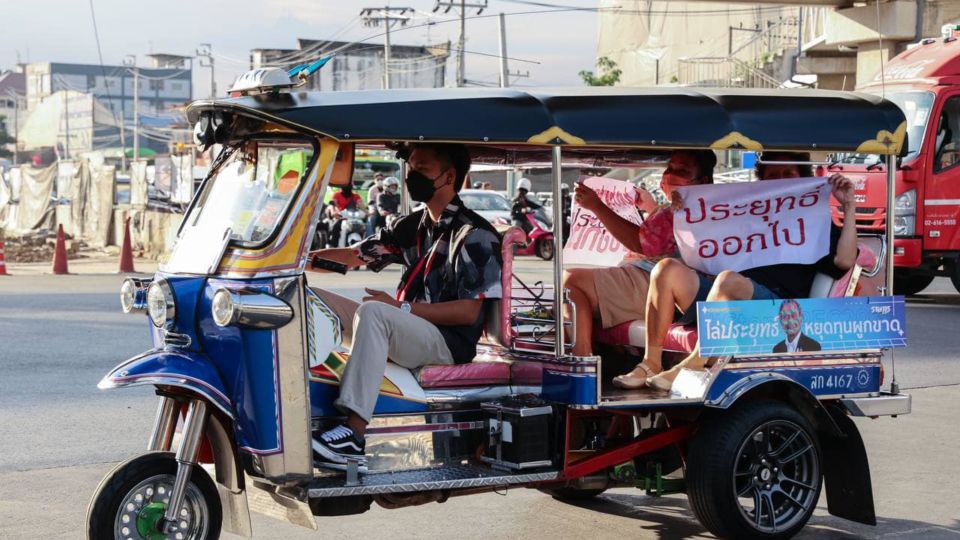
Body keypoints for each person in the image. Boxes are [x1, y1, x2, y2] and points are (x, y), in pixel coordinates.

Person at [307, 143, 503, 467]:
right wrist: (300, 260)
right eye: (411, 167)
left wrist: (403, 309)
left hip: (447, 342)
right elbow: (356, 255)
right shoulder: (412, 226)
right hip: (409, 328)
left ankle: (353, 436)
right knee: (311, 298)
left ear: (449, 176)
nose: (412, 176)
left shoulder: (475, 234)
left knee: (374, 312)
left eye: (421, 169)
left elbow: (468, 312)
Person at [623, 152, 857, 390]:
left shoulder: (814, 219)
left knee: (728, 281)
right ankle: (650, 363)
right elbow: (702, 246)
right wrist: (685, 211)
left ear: (802, 178)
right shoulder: (747, 210)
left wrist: (848, 206)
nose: (781, 179)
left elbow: (845, 261)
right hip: (722, 298)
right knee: (666, 269)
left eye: (788, 174)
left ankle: (694, 363)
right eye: (773, 175)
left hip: (774, 307)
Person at [563, 150, 717, 360]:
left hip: (660, 285)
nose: (671, 176)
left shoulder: (699, 209)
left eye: (681, 171)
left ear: (703, 180)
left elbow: (642, 243)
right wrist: (651, 207)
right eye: (669, 169)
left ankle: (582, 361)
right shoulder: (680, 208)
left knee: (571, 281)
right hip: (646, 277)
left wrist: (597, 207)